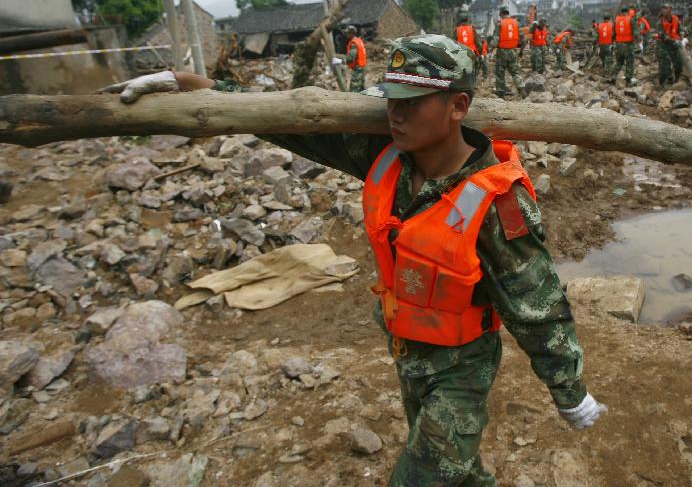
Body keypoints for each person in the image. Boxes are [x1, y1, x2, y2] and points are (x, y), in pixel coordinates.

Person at [97, 34, 605, 486]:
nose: (396, 114)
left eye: (414, 102)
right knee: (456, 470)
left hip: (462, 366)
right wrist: (193, 84)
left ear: (458, 106)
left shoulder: (498, 202)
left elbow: (535, 305)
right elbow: (291, 124)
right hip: (408, 354)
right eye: (392, 101)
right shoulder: (383, 158)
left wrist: (569, 389)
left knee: (423, 476)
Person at [491, 6, 524, 97]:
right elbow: (523, 39)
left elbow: (495, 40)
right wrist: (521, 51)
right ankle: (522, 90)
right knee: (515, 72)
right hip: (513, 51)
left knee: (500, 73)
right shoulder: (517, 23)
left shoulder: (499, 23)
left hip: (502, 52)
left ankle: (501, 94)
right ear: (507, 12)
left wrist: (490, 49)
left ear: (501, 14)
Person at [656, 3, 684, 89]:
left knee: (679, 64)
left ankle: (676, 81)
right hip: (663, 45)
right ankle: (661, 84)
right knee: (665, 66)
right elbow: (663, 36)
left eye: (665, 8)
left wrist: (682, 36)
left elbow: (680, 29)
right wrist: (674, 40)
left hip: (674, 44)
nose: (663, 10)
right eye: (662, 9)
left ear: (670, 9)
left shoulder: (676, 19)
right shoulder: (660, 22)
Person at [611, 6, 638, 85]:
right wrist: (639, 42)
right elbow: (635, 32)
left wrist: (612, 42)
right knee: (629, 62)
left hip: (618, 45)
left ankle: (613, 75)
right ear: (628, 12)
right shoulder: (631, 19)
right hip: (628, 45)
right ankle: (628, 80)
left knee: (619, 62)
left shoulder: (616, 20)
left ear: (621, 12)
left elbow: (613, 34)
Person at [455, 12, 482, 81]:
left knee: (462, 71)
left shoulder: (456, 30)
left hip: (461, 54)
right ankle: (473, 82)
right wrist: (480, 53)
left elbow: (453, 44)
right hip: (472, 53)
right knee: (475, 67)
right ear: (467, 19)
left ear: (460, 20)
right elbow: (478, 43)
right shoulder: (472, 28)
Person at [344, 25, 367, 92]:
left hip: (358, 68)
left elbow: (351, 58)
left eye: (348, 33)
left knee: (354, 88)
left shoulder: (354, 43)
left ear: (351, 33)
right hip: (362, 67)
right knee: (361, 87)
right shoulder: (358, 41)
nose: (346, 34)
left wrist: (341, 61)